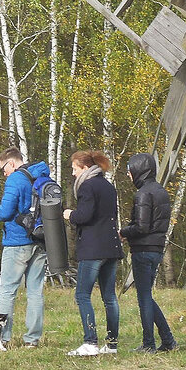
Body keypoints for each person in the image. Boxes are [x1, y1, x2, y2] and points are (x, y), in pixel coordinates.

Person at [63, 149, 123, 356]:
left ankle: (90, 342)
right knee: (109, 297)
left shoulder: (87, 186)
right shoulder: (108, 186)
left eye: (74, 169)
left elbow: (85, 215)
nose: (73, 173)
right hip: (111, 247)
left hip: (93, 248)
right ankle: (112, 344)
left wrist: (71, 215)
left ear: (85, 168)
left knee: (82, 295)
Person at [120, 152, 178, 353]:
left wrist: (123, 232)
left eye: (130, 170)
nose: (128, 174)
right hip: (156, 249)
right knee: (147, 296)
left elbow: (142, 227)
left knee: (144, 298)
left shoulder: (143, 194)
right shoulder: (161, 191)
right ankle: (168, 341)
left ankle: (148, 344)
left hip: (143, 250)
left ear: (138, 170)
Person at [0, 146, 48, 348]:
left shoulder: (15, 179)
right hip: (40, 240)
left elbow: (7, 212)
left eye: (4, 168)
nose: (4, 173)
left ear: (12, 163)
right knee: (35, 291)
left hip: (17, 242)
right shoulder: (41, 176)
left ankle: (2, 338)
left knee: (7, 291)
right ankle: (32, 340)